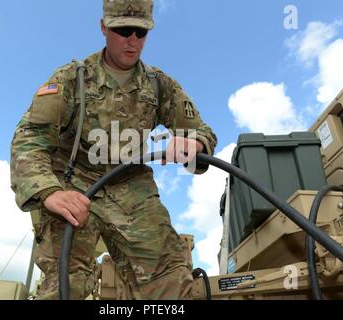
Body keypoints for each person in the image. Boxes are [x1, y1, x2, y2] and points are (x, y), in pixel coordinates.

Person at [11, 0, 217, 300]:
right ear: (104, 27)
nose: (132, 40)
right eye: (123, 30)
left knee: (170, 283)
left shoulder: (159, 85)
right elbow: (30, 138)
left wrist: (194, 142)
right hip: (73, 186)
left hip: (132, 190)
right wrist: (49, 192)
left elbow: (201, 129)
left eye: (140, 32)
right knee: (67, 285)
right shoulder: (72, 78)